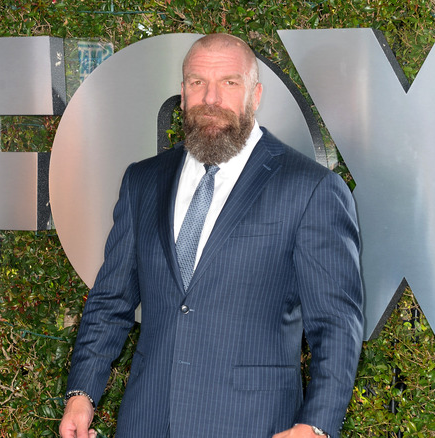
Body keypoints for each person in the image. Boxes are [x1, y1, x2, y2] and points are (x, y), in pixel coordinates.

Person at [60, 33, 363, 438]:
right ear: (182, 94)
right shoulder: (143, 181)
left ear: (255, 94)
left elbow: (337, 323)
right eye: (197, 82)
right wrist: (82, 393)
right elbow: (111, 300)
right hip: (147, 421)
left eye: (229, 83)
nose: (211, 98)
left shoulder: (310, 188)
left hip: (252, 424)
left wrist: (316, 425)